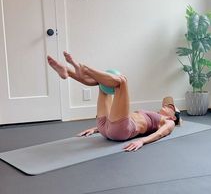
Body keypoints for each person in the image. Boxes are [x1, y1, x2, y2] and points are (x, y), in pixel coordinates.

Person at [47, 51, 181, 152]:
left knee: (122, 81)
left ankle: (83, 68)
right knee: (104, 85)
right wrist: (95, 130)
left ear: (173, 115)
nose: (166, 105)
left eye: (170, 106)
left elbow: (161, 133)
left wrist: (142, 141)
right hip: (105, 126)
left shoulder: (169, 122)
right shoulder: (153, 114)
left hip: (121, 130)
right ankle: (68, 72)